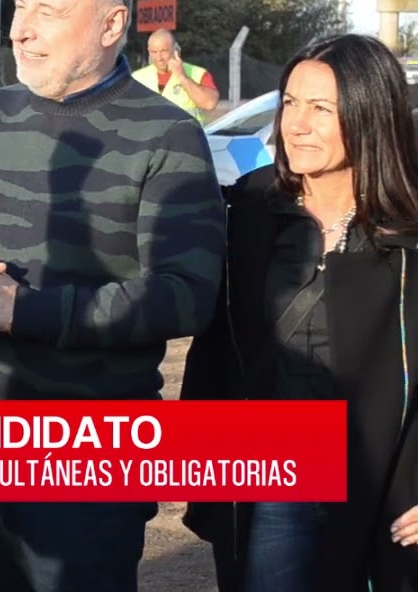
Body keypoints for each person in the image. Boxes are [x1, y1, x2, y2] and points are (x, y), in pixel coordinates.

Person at [0, 0, 226, 592]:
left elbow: (184, 295)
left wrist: (24, 312)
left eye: (49, 11)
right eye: (20, 6)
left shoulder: (166, 135)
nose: (21, 29)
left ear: (111, 25)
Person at [180, 34, 418, 592]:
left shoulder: (407, 226)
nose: (297, 125)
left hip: (387, 476)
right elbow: (217, 347)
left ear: (371, 116)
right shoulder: (250, 207)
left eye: (321, 109)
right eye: (290, 103)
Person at [131, 28, 220, 123]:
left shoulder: (197, 74)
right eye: (154, 52)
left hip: (187, 132)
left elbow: (209, 104)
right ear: (149, 51)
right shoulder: (137, 77)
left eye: (164, 51)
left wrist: (182, 76)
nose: (159, 58)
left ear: (176, 50)